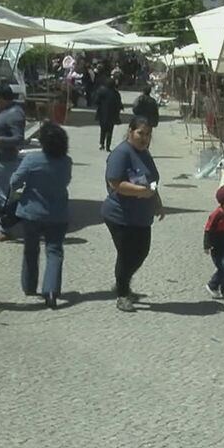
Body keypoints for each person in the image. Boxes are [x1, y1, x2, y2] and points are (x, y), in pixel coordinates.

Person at [102, 116, 164, 312]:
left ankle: (123, 282)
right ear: (130, 131)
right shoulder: (121, 153)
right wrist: (140, 191)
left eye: (148, 134)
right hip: (121, 215)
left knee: (142, 252)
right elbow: (115, 183)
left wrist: (157, 202)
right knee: (127, 255)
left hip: (142, 216)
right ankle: (122, 294)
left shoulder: (144, 153)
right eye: (140, 133)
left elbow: (151, 181)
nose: (144, 138)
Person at [10, 122, 72, 309]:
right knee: (54, 251)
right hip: (58, 213)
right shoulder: (66, 162)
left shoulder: (32, 159)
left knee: (31, 250)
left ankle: (30, 286)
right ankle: (51, 290)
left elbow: (15, 181)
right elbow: (66, 181)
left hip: (32, 212)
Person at [0, 84, 25, 242]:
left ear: (1, 98)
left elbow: (18, 139)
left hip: (5, 161)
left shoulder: (15, 114)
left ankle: (5, 229)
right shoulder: (4, 111)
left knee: (4, 197)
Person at [94, 72, 123, 151]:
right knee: (110, 130)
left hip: (102, 113)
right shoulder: (116, 93)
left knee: (103, 129)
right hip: (112, 114)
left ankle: (102, 144)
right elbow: (119, 104)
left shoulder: (101, 91)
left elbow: (96, 101)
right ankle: (108, 146)